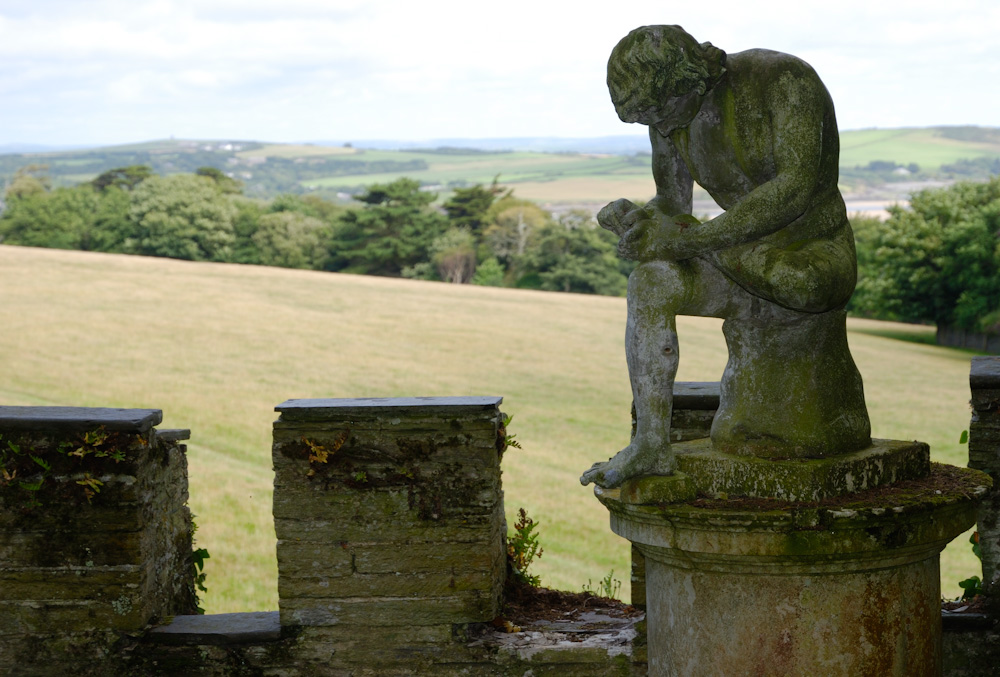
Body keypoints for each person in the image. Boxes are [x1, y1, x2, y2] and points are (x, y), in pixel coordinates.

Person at [580, 25, 859, 489]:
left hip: (813, 254)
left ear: (687, 78)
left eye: (662, 113)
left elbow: (793, 189)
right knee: (649, 283)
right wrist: (640, 219)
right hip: (736, 261)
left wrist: (688, 240)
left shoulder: (783, 80)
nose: (662, 129)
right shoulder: (670, 115)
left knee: (801, 285)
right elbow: (671, 202)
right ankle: (651, 444)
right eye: (648, 121)